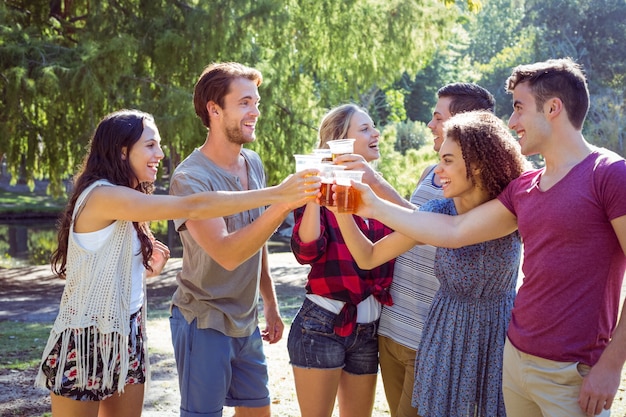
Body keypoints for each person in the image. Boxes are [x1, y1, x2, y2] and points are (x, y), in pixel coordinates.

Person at [339, 58, 626, 417]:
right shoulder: (525, 189)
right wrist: (363, 206)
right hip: (514, 361)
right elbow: (454, 231)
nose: (511, 122)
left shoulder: (610, 175)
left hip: (571, 372)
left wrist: (611, 365)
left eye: (519, 108)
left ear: (553, 108)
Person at [33, 109, 319, 417]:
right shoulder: (103, 195)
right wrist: (277, 194)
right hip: (84, 337)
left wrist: (144, 272)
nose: (160, 153)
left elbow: (104, 272)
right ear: (121, 150)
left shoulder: (127, 197)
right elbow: (194, 206)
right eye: (151, 145)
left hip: (126, 333)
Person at [334, 110, 529, 416]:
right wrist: (341, 209)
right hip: (444, 338)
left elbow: (455, 233)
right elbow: (368, 255)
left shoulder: (511, 208)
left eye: (448, 160)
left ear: (477, 164)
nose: (438, 171)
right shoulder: (438, 209)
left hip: (496, 336)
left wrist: (372, 201)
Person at [168, 62, 317, 417]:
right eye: (245, 103)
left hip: (246, 321)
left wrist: (270, 302)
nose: (256, 112)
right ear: (214, 109)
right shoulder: (190, 179)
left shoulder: (252, 162)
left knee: (258, 412)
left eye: (257, 103)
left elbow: (257, 238)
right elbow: (227, 253)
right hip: (203, 319)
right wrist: (281, 202)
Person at [374, 83, 496, 417]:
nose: (430, 125)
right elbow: (417, 223)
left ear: (463, 126)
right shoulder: (432, 172)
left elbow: (444, 231)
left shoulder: (487, 195)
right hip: (393, 326)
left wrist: (373, 192)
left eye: (437, 117)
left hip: (431, 337)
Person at [287, 103, 394, 417]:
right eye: (364, 129)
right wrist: (311, 197)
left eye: (372, 127)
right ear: (339, 141)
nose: (375, 133)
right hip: (321, 324)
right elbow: (305, 252)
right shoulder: (318, 190)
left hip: (369, 328)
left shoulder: (378, 191)